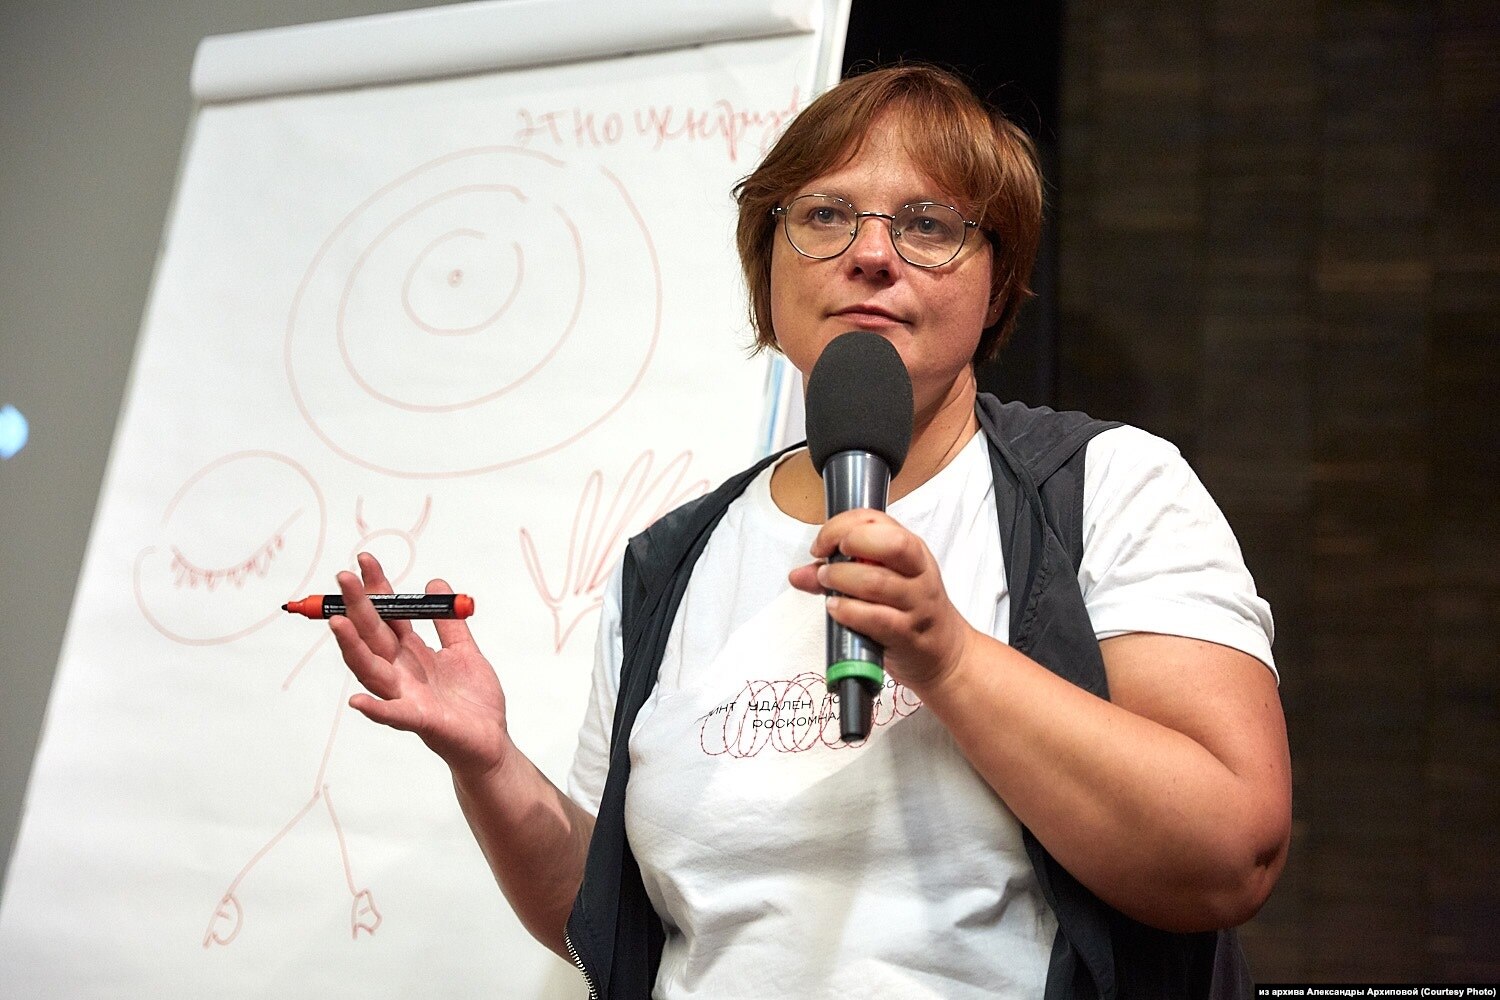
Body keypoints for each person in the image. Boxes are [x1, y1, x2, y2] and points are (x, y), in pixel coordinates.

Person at [330, 64, 1291, 999]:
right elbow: (605, 917)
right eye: (826, 215)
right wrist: (489, 764)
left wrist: (951, 660)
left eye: (928, 224)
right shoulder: (670, 561)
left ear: (997, 285)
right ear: (768, 266)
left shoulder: (1105, 487)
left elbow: (1231, 854)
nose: (871, 254)